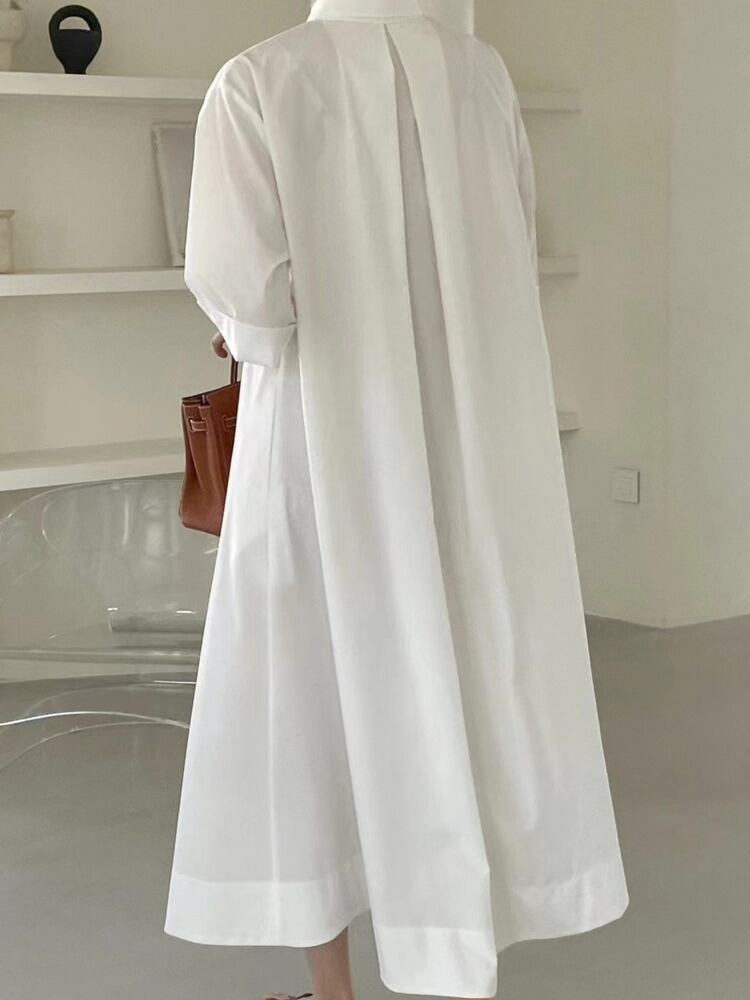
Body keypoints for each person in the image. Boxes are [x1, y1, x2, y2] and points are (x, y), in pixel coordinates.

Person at [164, 2, 629, 997]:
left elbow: (249, 297)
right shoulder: (481, 74)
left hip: (323, 437)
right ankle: (454, 951)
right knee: (469, 668)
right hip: (470, 438)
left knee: (306, 696)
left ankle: (334, 990)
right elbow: (511, 241)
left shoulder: (257, 79)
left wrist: (245, 332)